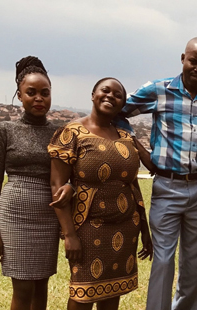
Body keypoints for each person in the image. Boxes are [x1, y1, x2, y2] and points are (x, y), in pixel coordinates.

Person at [113, 37, 197, 310]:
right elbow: (118, 113)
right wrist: (141, 151)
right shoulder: (159, 90)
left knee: (194, 261)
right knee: (163, 259)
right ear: (183, 59)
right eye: (194, 61)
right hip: (166, 187)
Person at [48, 77, 153, 310]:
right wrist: (69, 235)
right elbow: (57, 186)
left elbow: (133, 186)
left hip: (125, 229)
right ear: (93, 94)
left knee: (112, 293)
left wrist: (145, 229)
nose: (110, 96)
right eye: (105, 91)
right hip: (86, 228)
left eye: (118, 95)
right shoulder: (71, 133)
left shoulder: (125, 138)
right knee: (82, 294)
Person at [0, 56, 74, 310]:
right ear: (20, 95)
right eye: (31, 92)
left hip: (48, 215)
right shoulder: (5, 130)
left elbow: (70, 176)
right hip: (14, 214)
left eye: (44, 93)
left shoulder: (59, 132)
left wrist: (70, 187)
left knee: (41, 285)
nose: (39, 98)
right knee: (23, 287)